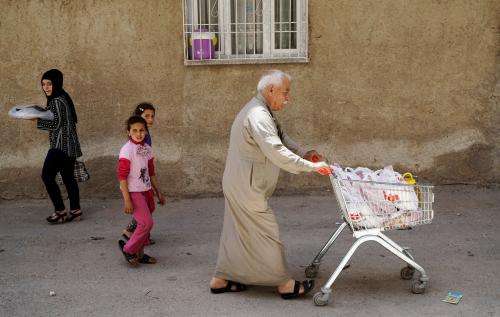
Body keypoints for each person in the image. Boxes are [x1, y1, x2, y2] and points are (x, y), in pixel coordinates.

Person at [209, 70, 331, 299]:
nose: (288, 98)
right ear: (271, 90)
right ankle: (284, 283)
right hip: (246, 186)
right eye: (285, 92)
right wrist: (310, 167)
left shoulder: (262, 110)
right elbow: (275, 149)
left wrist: (306, 153)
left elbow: (281, 137)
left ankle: (221, 279)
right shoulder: (258, 115)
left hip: (241, 182)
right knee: (267, 232)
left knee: (236, 233)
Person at [117, 116, 166, 266]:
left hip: (147, 191)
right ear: (129, 132)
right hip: (134, 192)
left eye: (142, 130)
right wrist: (127, 200)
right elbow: (122, 176)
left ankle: (140, 254)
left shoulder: (148, 149)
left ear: (146, 131)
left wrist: (158, 191)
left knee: (142, 224)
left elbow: (151, 172)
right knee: (146, 223)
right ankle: (128, 249)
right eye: (135, 130)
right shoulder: (127, 150)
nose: (139, 134)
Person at [37, 69, 83, 224]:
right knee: (68, 177)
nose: (46, 87)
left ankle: (60, 211)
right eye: (43, 84)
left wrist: (35, 119)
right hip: (70, 146)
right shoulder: (62, 97)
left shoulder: (56, 101)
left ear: (56, 83)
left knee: (47, 175)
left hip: (60, 146)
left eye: (49, 84)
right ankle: (75, 210)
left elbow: (55, 124)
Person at [122, 103, 157, 243]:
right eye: (146, 116)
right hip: (136, 183)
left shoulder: (145, 135)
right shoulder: (137, 139)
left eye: (152, 116)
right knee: (144, 213)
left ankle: (138, 234)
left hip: (145, 180)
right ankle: (133, 235)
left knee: (147, 209)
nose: (150, 119)